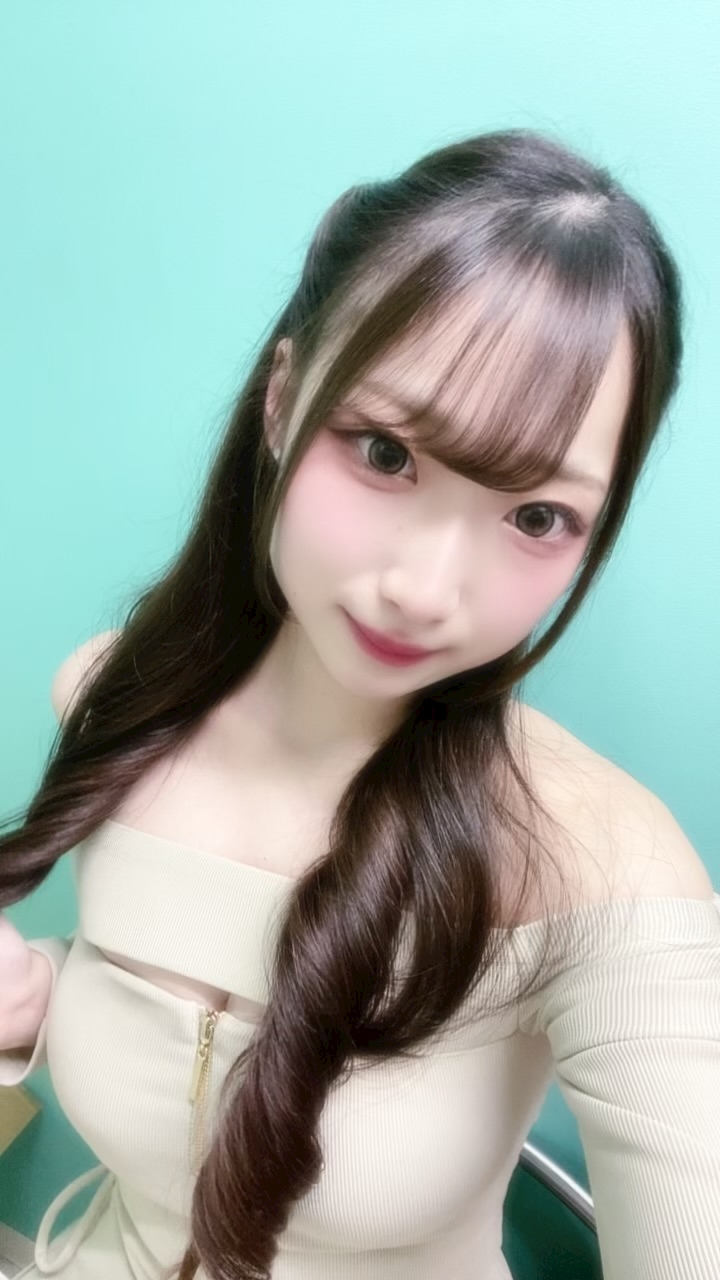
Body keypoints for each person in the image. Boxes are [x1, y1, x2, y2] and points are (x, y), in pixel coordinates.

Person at [0, 127, 718, 1280]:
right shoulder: (116, 692)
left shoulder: (602, 868)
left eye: (537, 516)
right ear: (284, 398)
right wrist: (34, 995)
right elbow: (168, 1030)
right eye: (386, 452)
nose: (425, 590)